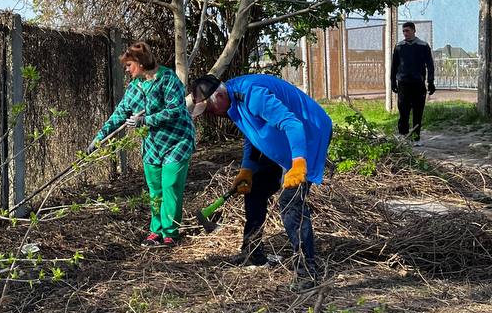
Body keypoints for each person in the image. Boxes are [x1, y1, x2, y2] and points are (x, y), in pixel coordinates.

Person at [189, 72, 332, 288]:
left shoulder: (253, 95)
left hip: (309, 136)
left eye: (208, 109)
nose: (210, 115)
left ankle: (307, 272)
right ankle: (252, 252)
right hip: (284, 140)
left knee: (291, 203)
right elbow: (252, 133)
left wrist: (299, 163)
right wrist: (247, 169)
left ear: (217, 97)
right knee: (254, 189)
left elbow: (293, 125)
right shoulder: (232, 102)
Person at [89, 41, 194, 247]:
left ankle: (170, 232)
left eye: (129, 65)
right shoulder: (135, 88)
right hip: (153, 146)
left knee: (170, 185)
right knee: (155, 189)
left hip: (177, 141)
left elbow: (176, 110)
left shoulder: (167, 79)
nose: (127, 69)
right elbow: (119, 114)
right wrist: (99, 137)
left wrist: (146, 120)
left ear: (140, 62)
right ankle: (156, 231)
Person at [390, 21, 435, 142]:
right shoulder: (399, 46)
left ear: (414, 31)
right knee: (403, 111)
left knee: (418, 111)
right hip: (403, 83)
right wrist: (393, 82)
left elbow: (430, 65)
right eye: (404, 31)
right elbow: (394, 66)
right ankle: (403, 136)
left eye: (408, 31)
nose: (405, 33)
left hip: (418, 84)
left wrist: (431, 82)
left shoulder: (423, 45)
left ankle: (416, 137)